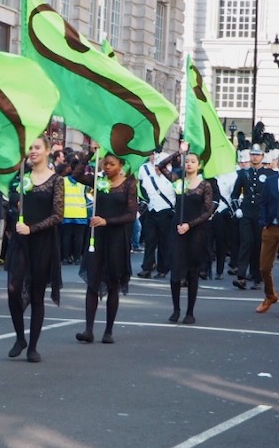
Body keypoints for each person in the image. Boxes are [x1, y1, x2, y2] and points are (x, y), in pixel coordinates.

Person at [6, 136, 63, 363]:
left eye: (37, 147)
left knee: (37, 294)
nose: (32, 151)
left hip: (42, 242)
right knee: (13, 288)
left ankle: (33, 347)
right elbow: (10, 197)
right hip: (21, 241)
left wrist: (33, 228)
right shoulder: (22, 177)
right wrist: (15, 205)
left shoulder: (56, 180)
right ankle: (20, 338)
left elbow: (58, 215)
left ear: (48, 151)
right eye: (30, 147)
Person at [74, 153, 137, 344]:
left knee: (113, 283)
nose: (107, 167)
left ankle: (108, 330)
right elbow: (76, 175)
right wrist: (90, 154)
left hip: (117, 238)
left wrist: (107, 221)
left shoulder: (128, 184)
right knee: (92, 281)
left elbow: (131, 214)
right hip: (97, 238)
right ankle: (88, 329)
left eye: (112, 164)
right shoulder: (98, 181)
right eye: (105, 163)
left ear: (121, 165)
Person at [159, 143, 214, 324]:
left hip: (195, 231)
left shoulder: (205, 185)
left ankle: (190, 311)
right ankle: (176, 309)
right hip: (177, 229)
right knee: (175, 271)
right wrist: (178, 152)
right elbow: (160, 166)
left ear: (199, 165)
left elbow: (207, 212)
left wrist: (190, 225)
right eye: (187, 161)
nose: (189, 164)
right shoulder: (178, 180)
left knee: (192, 272)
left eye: (193, 162)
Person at [230, 144, 273, 290]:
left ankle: (256, 277)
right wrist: (237, 209)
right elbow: (234, 194)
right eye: (252, 154)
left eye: (257, 154)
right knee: (246, 243)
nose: (255, 157)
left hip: (261, 213)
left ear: (262, 156)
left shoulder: (269, 174)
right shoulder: (243, 174)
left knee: (258, 245)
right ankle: (241, 276)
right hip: (246, 212)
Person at [137, 151, 176, 279]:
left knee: (164, 242)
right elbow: (143, 189)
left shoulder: (174, 176)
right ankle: (147, 267)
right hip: (152, 210)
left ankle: (163, 268)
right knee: (150, 240)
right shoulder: (148, 176)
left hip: (167, 212)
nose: (158, 169)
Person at [256, 164, 279, 314]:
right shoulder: (270, 181)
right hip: (271, 227)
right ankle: (270, 295)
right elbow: (263, 203)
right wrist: (264, 222)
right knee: (264, 267)